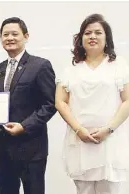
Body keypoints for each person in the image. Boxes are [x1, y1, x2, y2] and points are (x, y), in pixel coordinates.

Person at [55, 13, 129, 194]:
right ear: (80, 39)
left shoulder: (119, 66)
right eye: (88, 33)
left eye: (98, 32)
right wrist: (80, 130)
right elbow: (60, 102)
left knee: (111, 189)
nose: (93, 37)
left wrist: (108, 129)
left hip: (110, 141)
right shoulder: (71, 69)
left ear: (107, 38)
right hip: (81, 140)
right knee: (84, 190)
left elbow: (127, 100)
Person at [0, 17, 56, 194]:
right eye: (5, 34)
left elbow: (50, 104)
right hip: (4, 149)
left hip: (32, 148)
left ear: (26, 36)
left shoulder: (40, 66)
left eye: (14, 34)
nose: (9, 38)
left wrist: (24, 126)